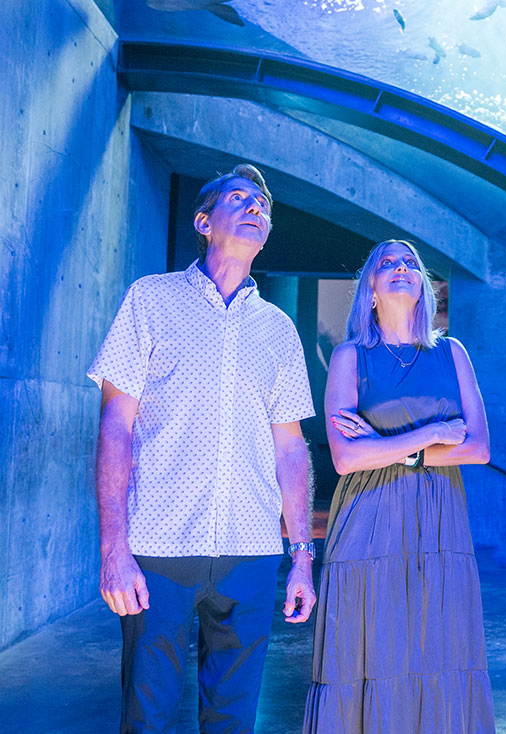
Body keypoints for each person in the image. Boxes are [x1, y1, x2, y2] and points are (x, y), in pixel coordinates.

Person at [88, 164, 317, 733]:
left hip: (253, 550)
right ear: (204, 222)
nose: (254, 207)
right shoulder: (150, 299)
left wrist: (303, 558)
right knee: (149, 715)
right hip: (159, 547)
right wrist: (114, 550)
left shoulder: (279, 329)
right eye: (238, 198)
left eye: (262, 204)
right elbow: (115, 427)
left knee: (235, 720)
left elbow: (290, 449)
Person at [303, 240, 496, 733]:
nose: (401, 267)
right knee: (368, 652)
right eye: (386, 263)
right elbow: (347, 458)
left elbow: (478, 447)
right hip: (367, 522)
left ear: (424, 287)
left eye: (410, 262)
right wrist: (429, 436)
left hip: (440, 524)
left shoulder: (452, 353)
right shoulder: (350, 357)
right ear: (370, 289)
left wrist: (386, 446)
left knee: (438, 648)